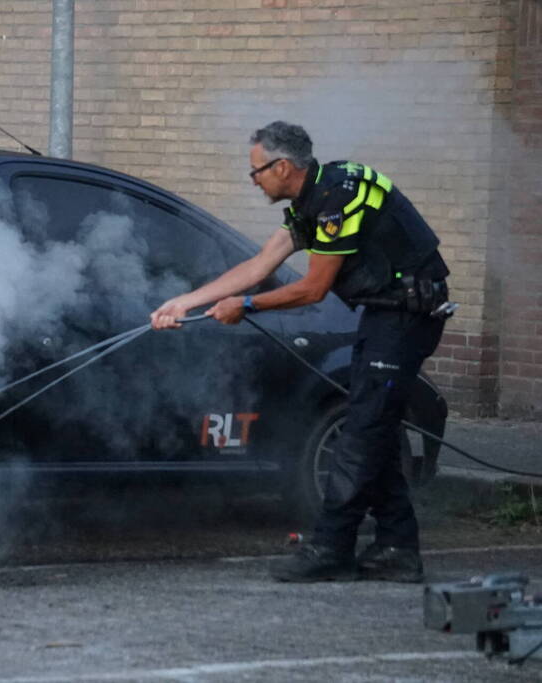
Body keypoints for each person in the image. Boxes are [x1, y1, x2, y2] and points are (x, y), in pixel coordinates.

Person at [151, 121, 450, 583]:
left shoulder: (336, 201)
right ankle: (397, 547)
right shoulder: (313, 198)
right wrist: (187, 302)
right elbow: (259, 264)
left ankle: (330, 547)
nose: (254, 181)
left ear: (283, 166)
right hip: (382, 311)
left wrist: (246, 306)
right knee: (374, 426)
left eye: (257, 171)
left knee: (361, 430)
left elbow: (313, 289)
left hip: (408, 316)